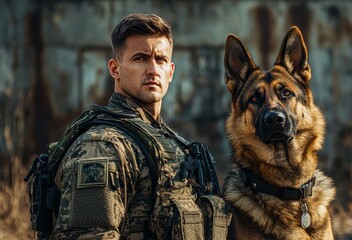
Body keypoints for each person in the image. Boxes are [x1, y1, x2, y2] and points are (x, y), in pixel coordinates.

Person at [50, 13, 230, 239]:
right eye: (140, 58)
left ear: (171, 71)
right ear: (115, 69)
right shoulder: (101, 147)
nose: (153, 69)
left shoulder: (170, 142)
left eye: (161, 59)